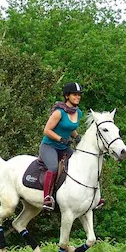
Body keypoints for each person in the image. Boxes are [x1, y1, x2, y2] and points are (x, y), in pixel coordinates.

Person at [39, 82, 84, 211]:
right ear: (67, 96)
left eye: (79, 95)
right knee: (53, 167)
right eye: (75, 94)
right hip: (49, 146)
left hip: (63, 147)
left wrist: (77, 137)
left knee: (79, 163)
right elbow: (46, 130)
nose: (78, 97)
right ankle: (47, 197)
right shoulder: (59, 112)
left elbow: (69, 128)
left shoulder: (78, 113)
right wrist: (61, 139)